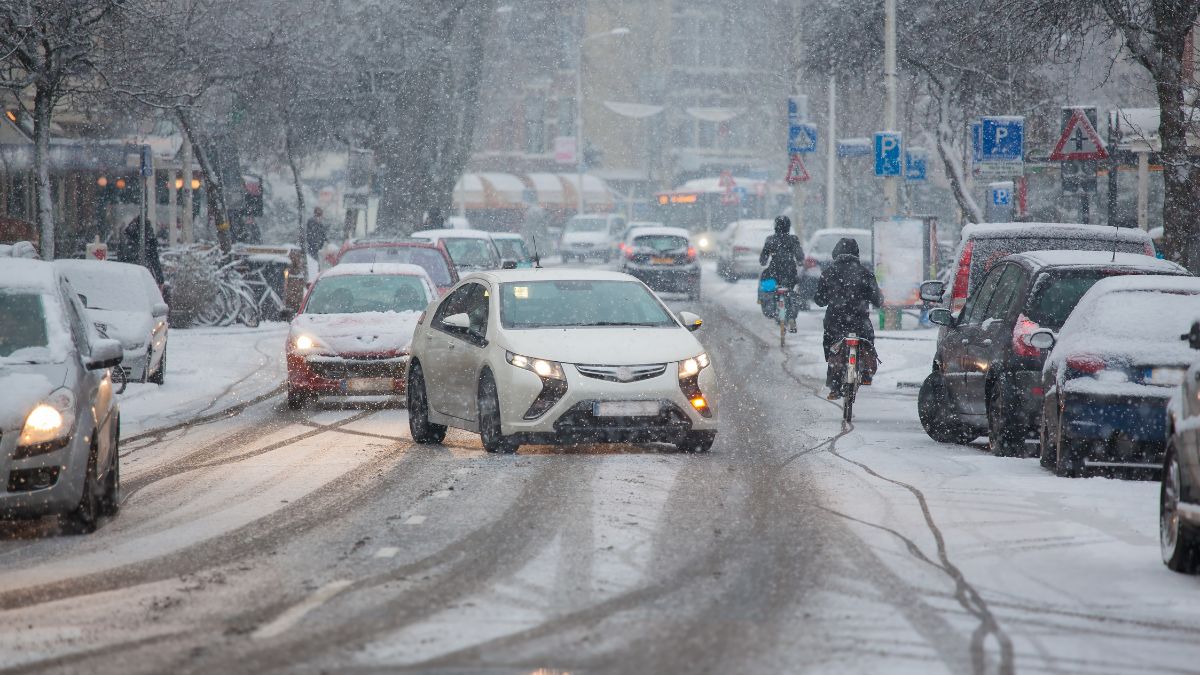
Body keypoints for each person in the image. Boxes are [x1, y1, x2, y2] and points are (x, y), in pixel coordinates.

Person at [813, 237, 882, 399]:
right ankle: (865, 373)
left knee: (832, 346)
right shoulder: (866, 274)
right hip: (860, 322)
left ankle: (834, 385)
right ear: (856, 254)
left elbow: (820, 300)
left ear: (836, 253)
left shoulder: (828, 273)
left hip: (835, 322)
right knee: (867, 342)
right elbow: (878, 300)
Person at [758, 215, 806, 332]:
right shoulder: (793, 239)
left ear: (775, 226)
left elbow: (763, 260)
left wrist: (764, 260)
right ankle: (792, 318)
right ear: (788, 227)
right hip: (790, 273)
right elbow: (800, 257)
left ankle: (766, 303)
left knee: (767, 285)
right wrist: (799, 261)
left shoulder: (770, 240)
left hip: (773, 273)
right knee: (792, 291)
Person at [119, 216, 165, 285]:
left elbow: (120, 259)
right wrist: (160, 280)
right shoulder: (149, 240)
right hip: (144, 276)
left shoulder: (125, 239)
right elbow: (155, 261)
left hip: (127, 276)